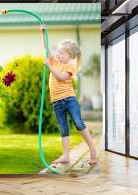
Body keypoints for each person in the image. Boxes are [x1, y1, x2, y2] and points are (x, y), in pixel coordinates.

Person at [40, 25, 97, 166]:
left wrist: (49, 66)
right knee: (63, 129)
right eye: (58, 52)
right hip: (56, 102)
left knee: (79, 124)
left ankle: (93, 150)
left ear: (70, 56)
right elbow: (46, 49)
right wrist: (43, 32)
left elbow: (60, 77)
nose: (58, 55)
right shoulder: (55, 61)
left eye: (61, 53)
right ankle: (65, 156)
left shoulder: (70, 67)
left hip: (69, 100)